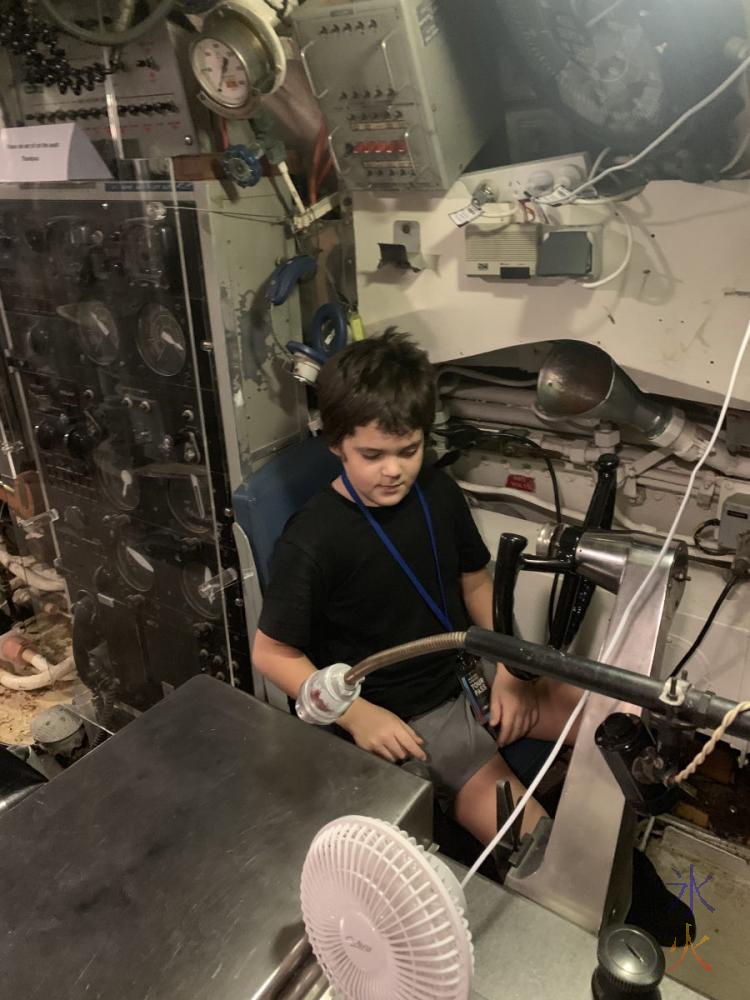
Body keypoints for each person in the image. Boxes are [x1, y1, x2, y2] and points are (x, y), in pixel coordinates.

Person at [253, 330, 583, 844]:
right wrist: (357, 714)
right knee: (541, 847)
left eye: (408, 450)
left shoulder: (436, 489)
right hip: (410, 714)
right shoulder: (313, 539)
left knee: (613, 720)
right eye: (372, 454)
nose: (394, 470)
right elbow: (271, 653)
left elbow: (476, 583)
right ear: (336, 442)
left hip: (474, 671)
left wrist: (514, 672)